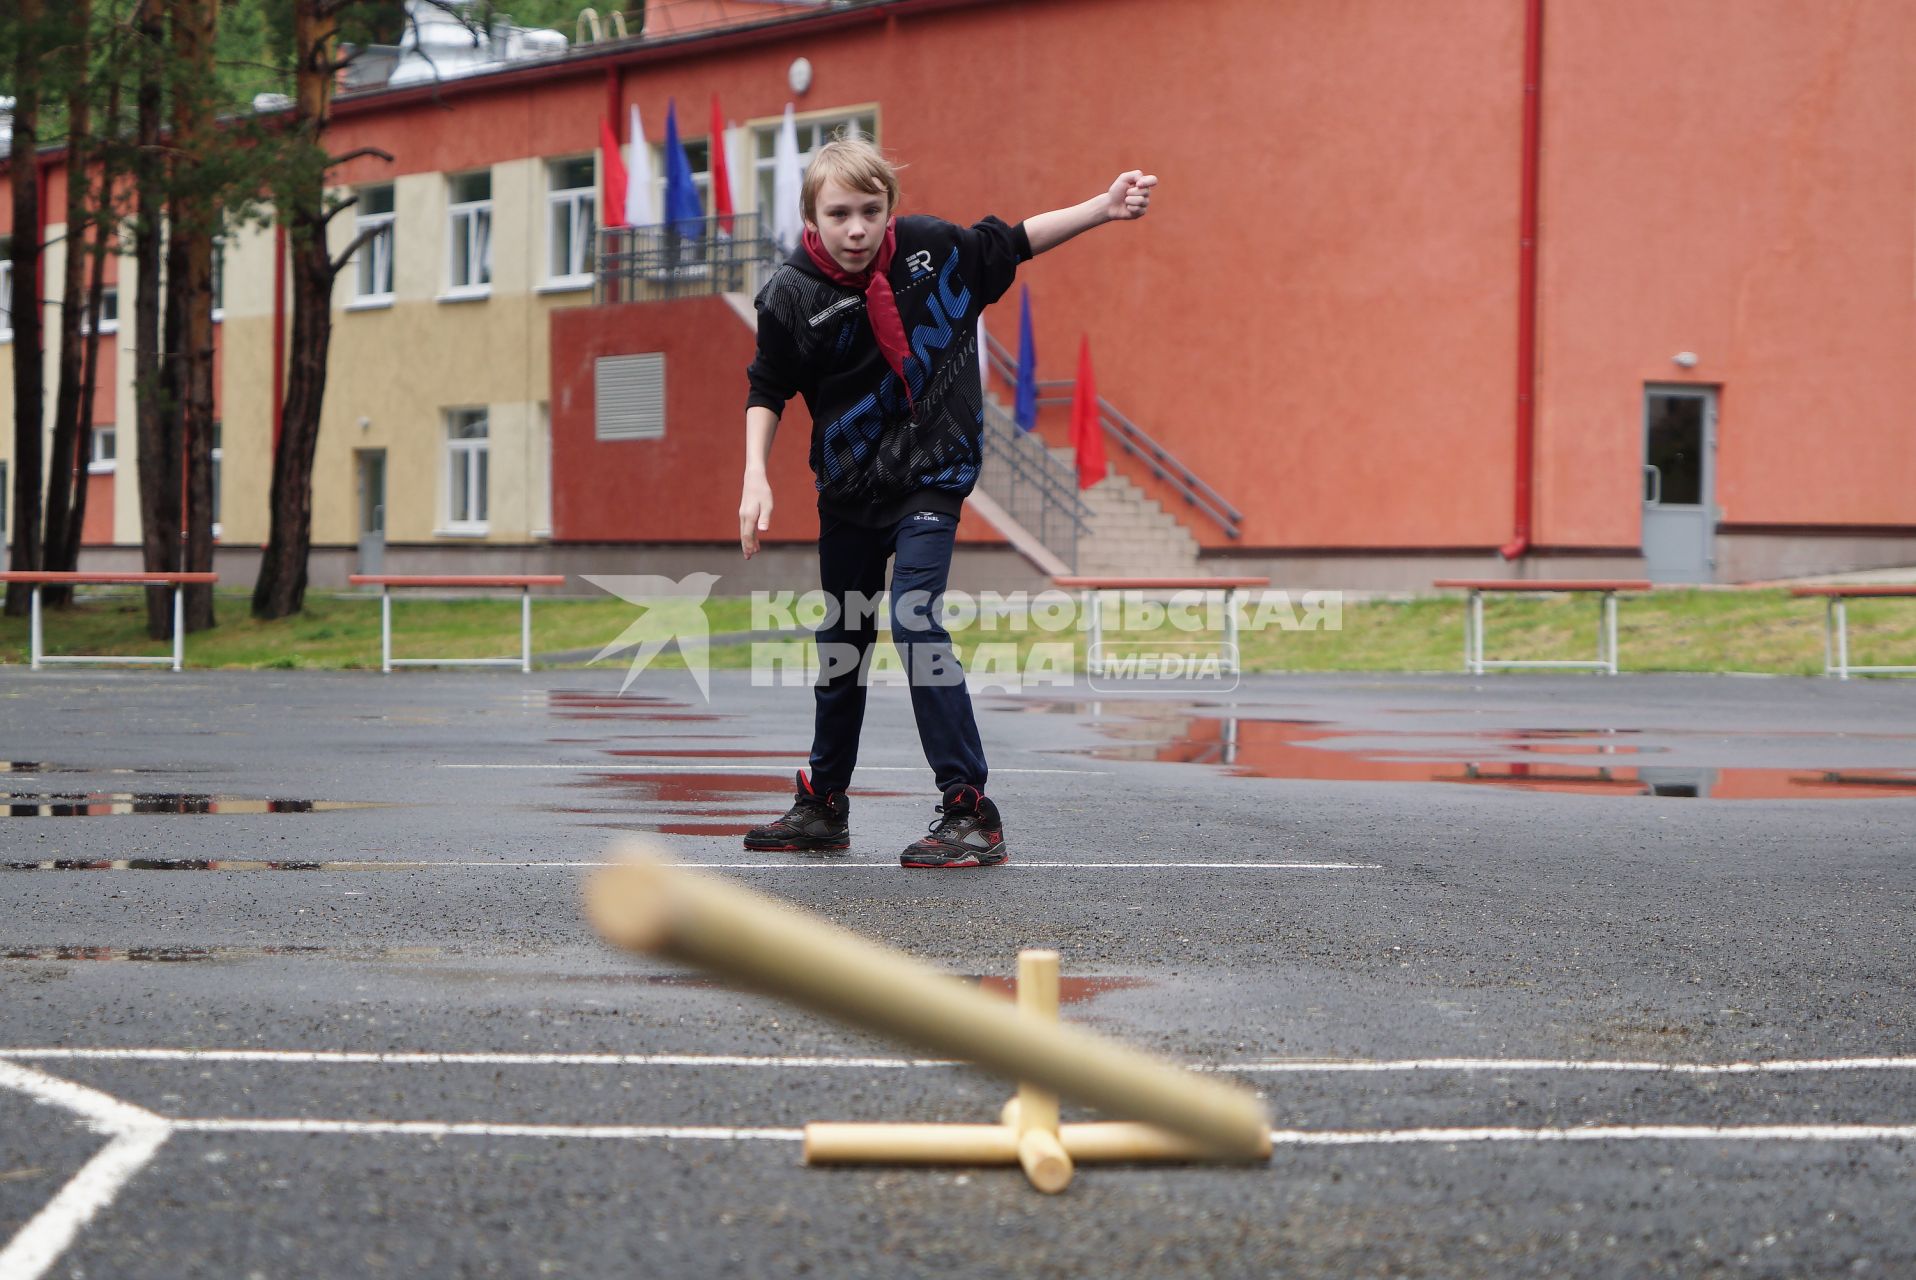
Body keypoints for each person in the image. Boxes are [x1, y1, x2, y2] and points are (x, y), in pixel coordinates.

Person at [737, 138, 1156, 868]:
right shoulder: (790, 295)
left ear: (889, 209)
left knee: (913, 618)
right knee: (843, 642)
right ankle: (823, 805)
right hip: (849, 485)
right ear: (812, 216)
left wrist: (1102, 207)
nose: (858, 228)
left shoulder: (933, 252)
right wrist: (754, 474)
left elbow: (1016, 240)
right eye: (840, 214)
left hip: (934, 468)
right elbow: (767, 386)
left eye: (871, 210)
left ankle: (969, 808)